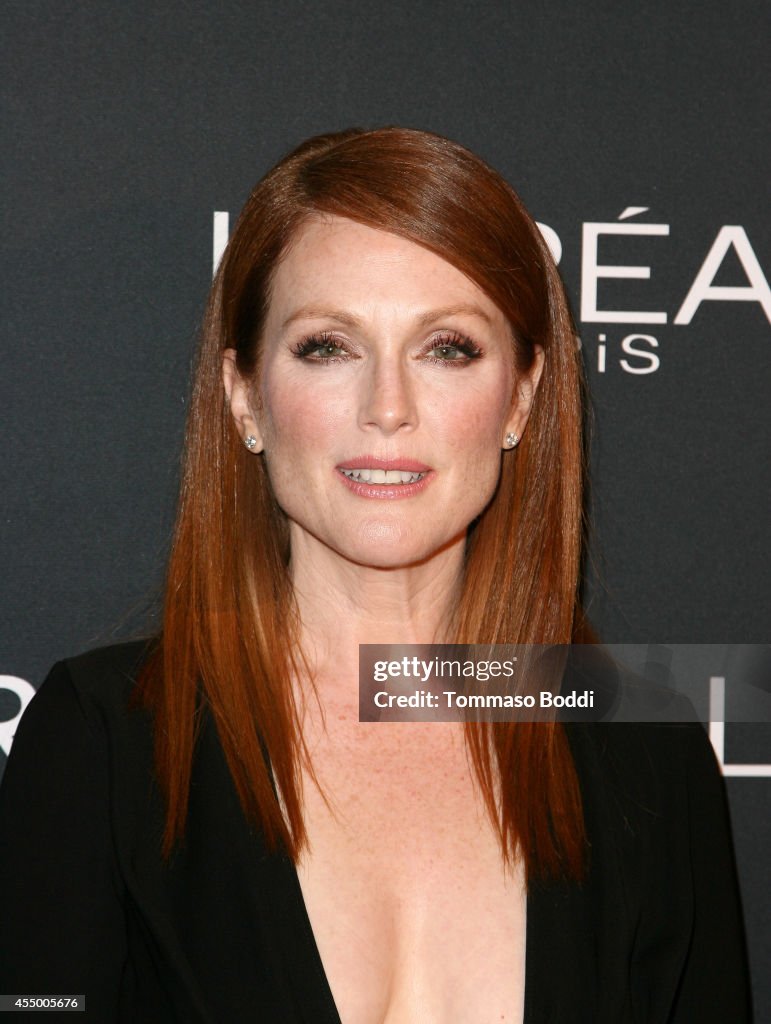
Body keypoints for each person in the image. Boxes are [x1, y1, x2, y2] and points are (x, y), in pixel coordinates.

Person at [0, 128, 751, 1022]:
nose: (386, 408)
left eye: (447, 349)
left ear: (518, 398)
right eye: (327, 346)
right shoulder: (105, 741)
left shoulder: (648, 752)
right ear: (244, 396)